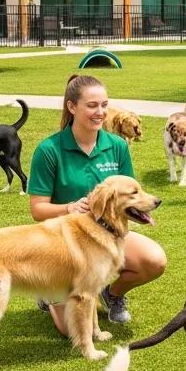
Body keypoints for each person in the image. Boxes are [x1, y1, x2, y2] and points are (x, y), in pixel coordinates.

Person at [28, 73, 165, 329]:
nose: (100, 112)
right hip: (65, 244)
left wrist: (140, 214)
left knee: (154, 260)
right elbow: (37, 209)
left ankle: (111, 294)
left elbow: (129, 197)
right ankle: (49, 293)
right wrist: (70, 208)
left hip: (109, 234)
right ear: (72, 106)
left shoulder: (117, 146)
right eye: (92, 105)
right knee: (71, 328)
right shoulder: (49, 150)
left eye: (104, 105)